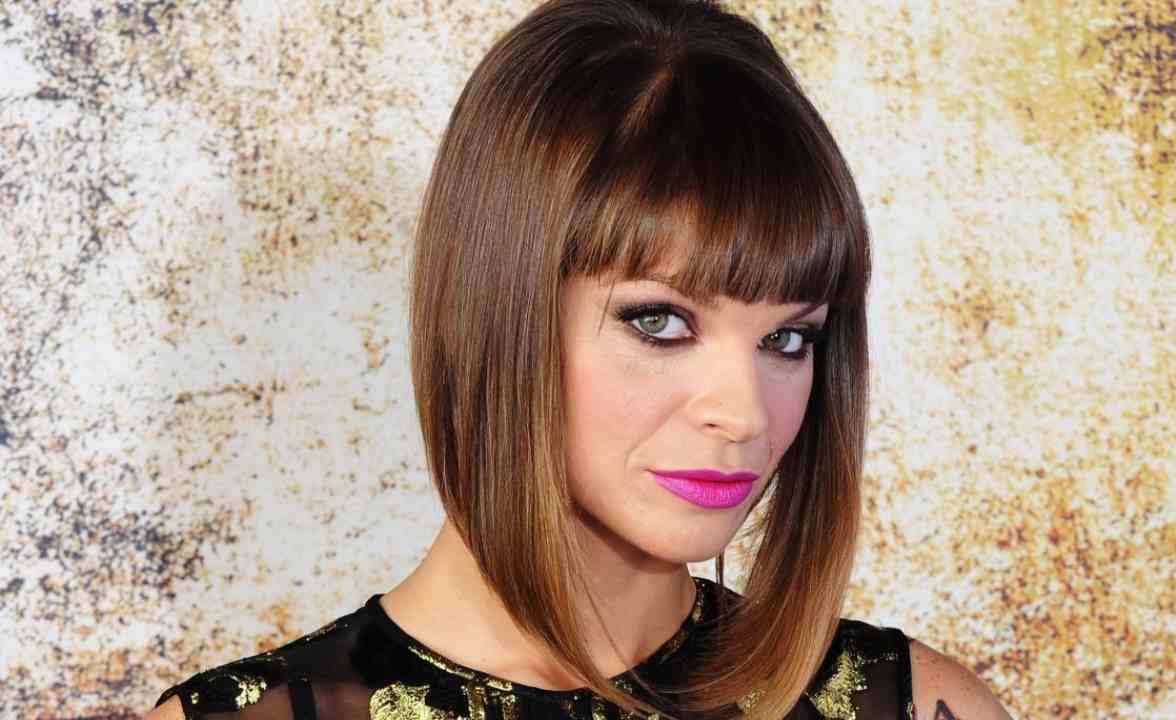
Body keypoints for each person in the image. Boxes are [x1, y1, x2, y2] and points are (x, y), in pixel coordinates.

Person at [146, 1, 1013, 718]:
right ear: (497, 313)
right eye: (660, 322)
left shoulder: (911, 704)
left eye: (787, 339)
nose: (744, 413)